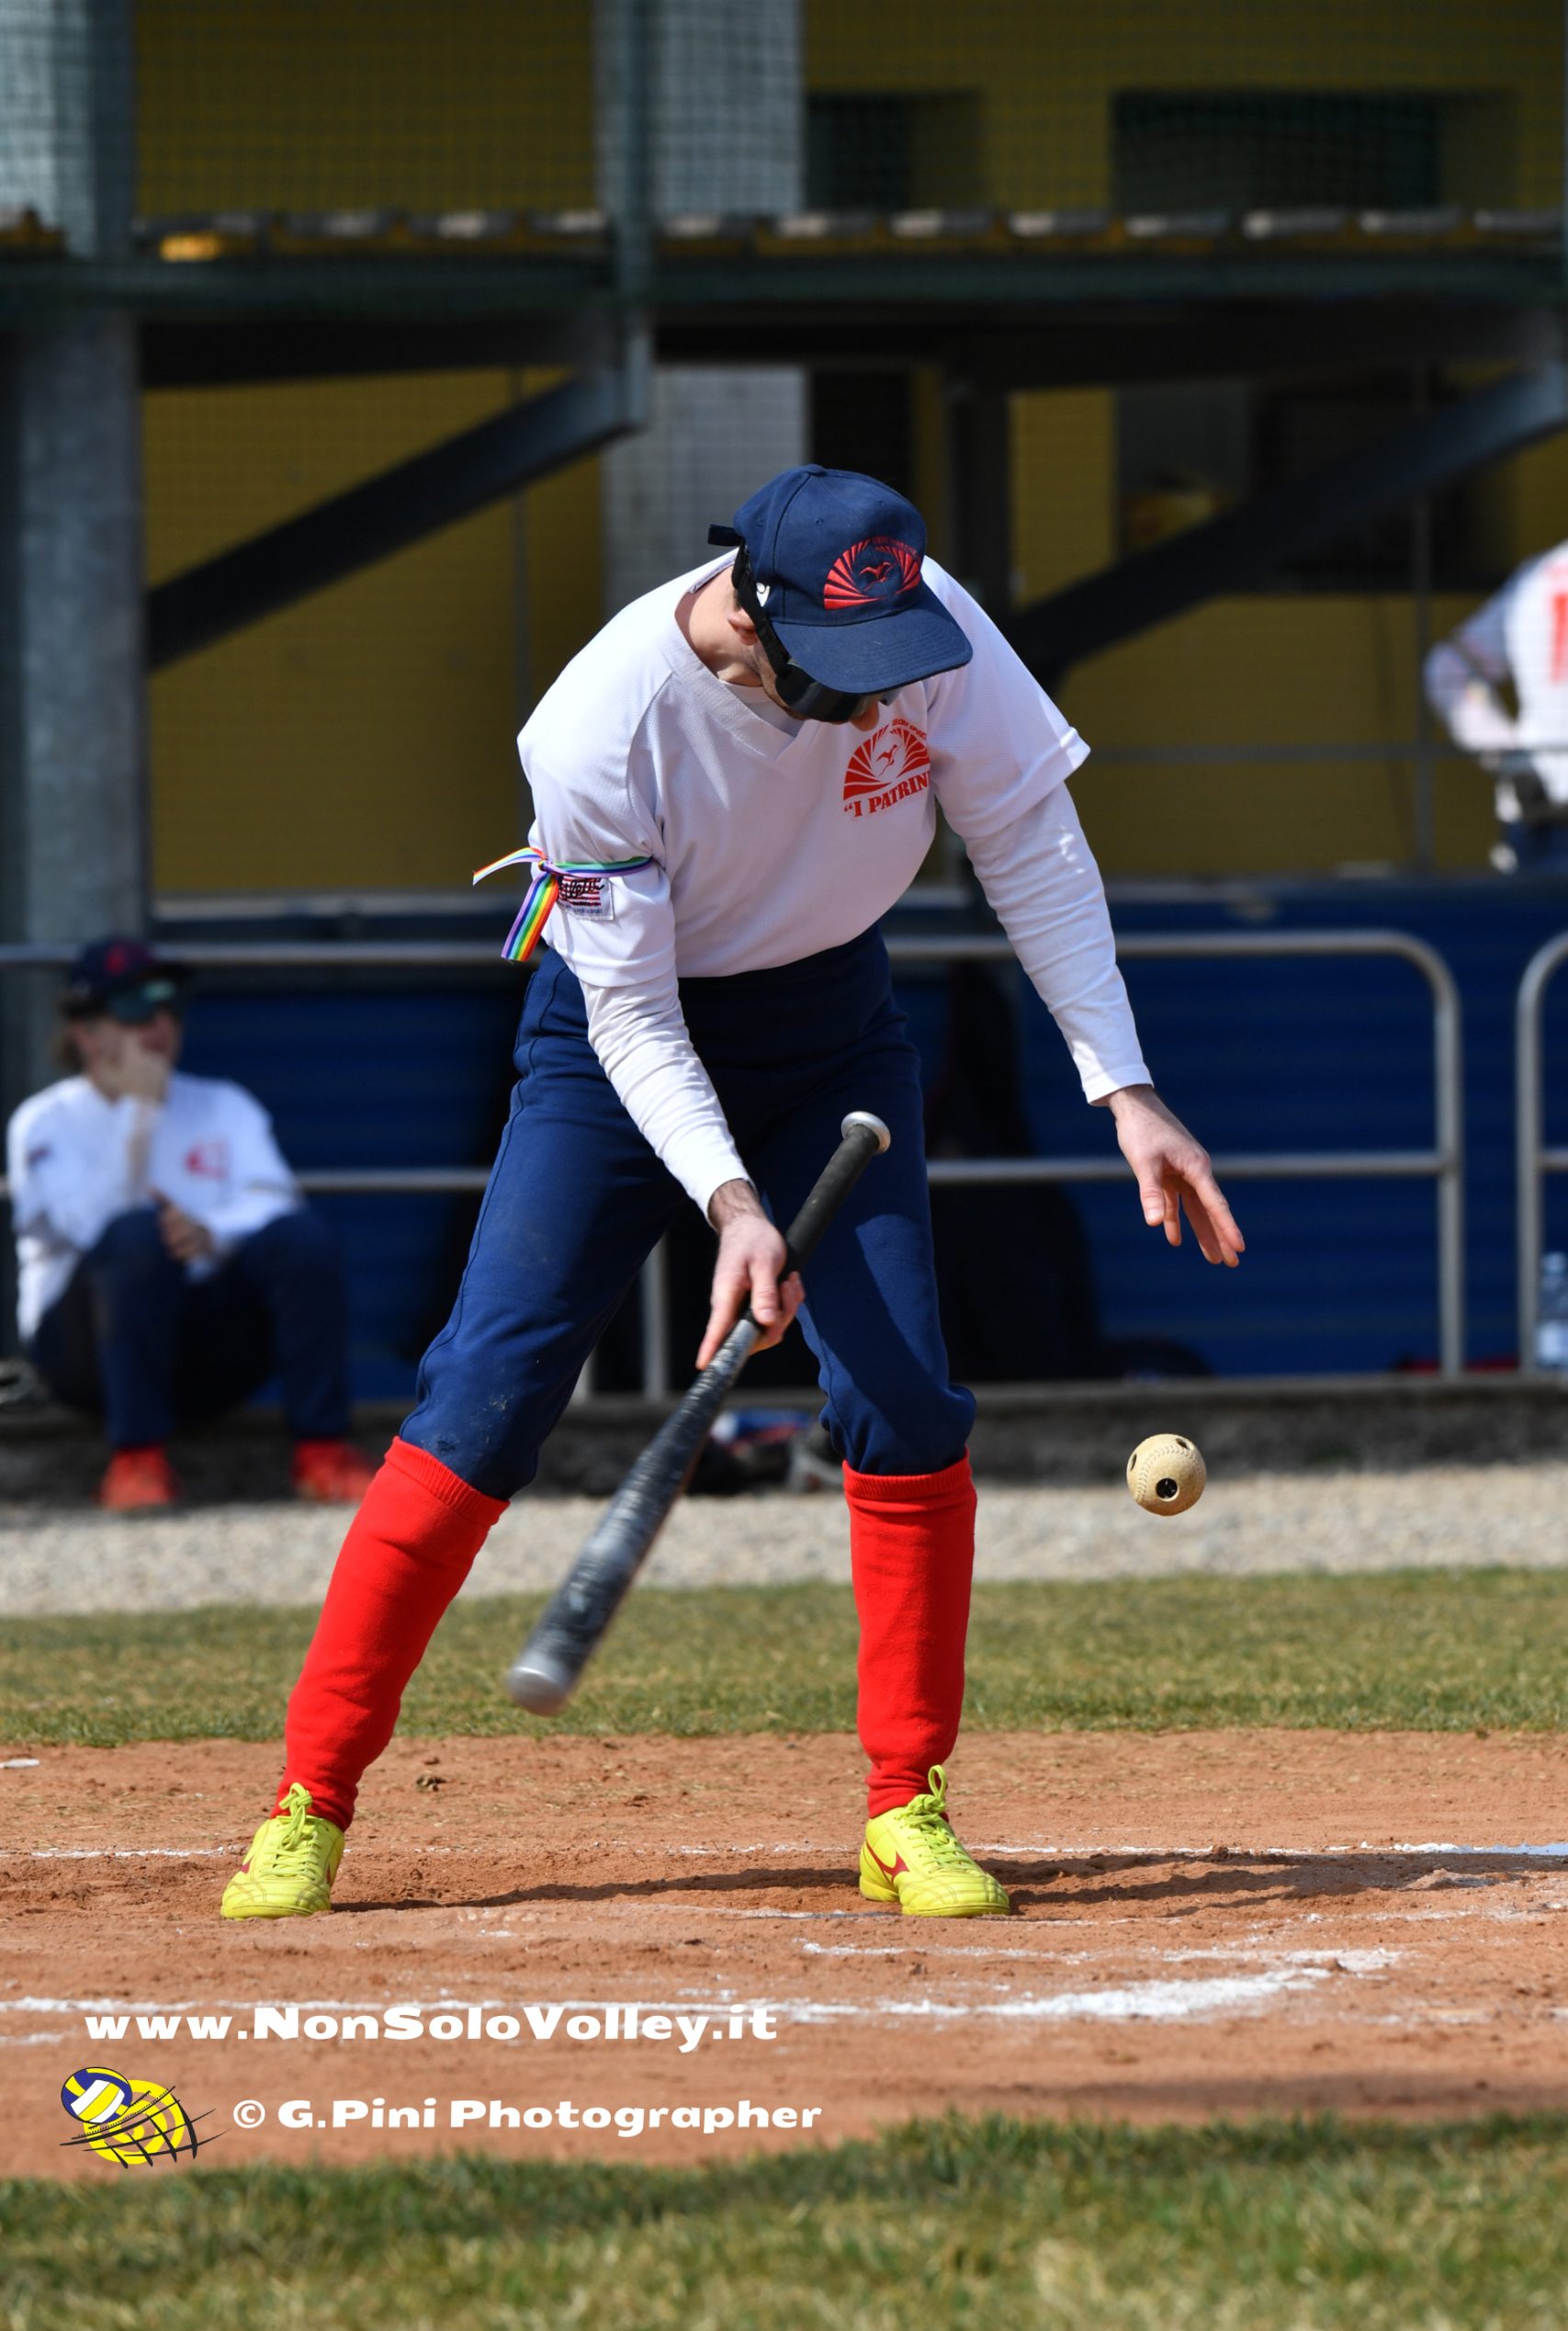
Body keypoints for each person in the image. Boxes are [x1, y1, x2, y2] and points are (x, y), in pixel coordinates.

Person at [220, 466, 1244, 1926]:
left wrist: (1121, 1088)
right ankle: (308, 1798)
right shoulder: (597, 724)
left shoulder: (922, 629)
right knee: (486, 1391)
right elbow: (632, 1017)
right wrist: (729, 1202)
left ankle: (904, 1806)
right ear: (745, 612)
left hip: (828, 1028)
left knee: (902, 1399)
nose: (869, 697)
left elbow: (1030, 844)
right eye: (836, 669)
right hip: (613, 1047)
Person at [6, 935, 375, 1510]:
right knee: (135, 1237)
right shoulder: (43, 1122)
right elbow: (87, 1228)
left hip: (206, 1347)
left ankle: (322, 1453)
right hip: (85, 1356)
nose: (158, 1022)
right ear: (86, 1034)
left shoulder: (225, 1104)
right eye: (132, 1008)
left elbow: (277, 1200)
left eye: (168, 1003)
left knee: (303, 1240)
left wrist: (211, 1234)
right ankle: (136, 1461)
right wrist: (139, 1112)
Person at [1425, 539, 1568, 871]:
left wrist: (1514, 761)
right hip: (1541, 822)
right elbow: (1448, 670)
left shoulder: (1540, 574)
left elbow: (1448, 670)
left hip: (1536, 815)